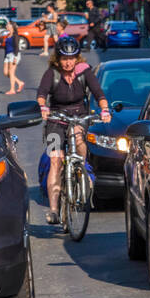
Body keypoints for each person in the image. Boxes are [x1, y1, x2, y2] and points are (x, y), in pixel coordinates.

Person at [37, 34, 111, 225]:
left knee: (78, 139)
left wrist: (104, 109)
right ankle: (53, 210)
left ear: (77, 57)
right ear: (58, 58)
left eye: (71, 58)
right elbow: (42, 94)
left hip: (79, 115)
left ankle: (81, 168)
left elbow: (98, 93)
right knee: (55, 160)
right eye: (64, 58)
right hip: (56, 118)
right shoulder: (51, 73)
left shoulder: (85, 71)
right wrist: (43, 107)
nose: (68, 62)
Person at [2, 19, 25, 96]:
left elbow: (16, 47)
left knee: (11, 72)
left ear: (12, 26)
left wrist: (15, 57)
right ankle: (19, 82)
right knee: (6, 73)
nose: (6, 26)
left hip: (14, 54)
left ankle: (12, 89)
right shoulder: (8, 35)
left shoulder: (15, 35)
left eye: (8, 24)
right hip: (7, 55)